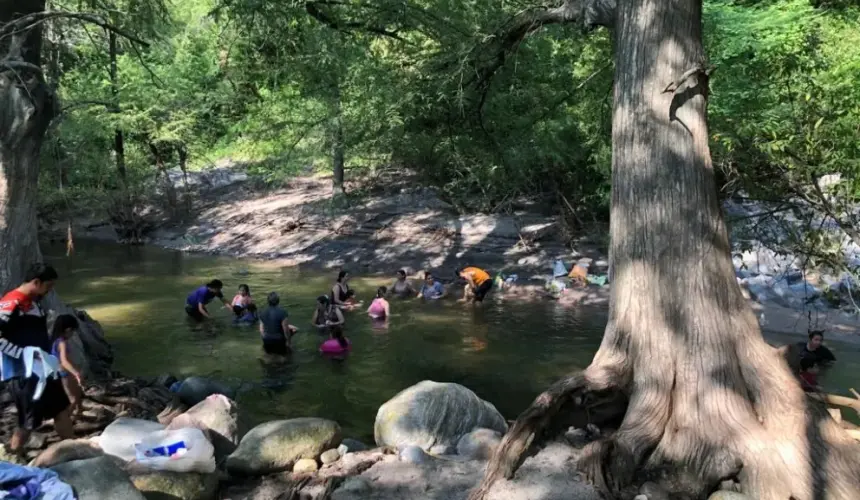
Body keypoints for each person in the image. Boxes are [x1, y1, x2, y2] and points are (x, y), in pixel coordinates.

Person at [0, 264, 74, 455]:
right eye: (48, 287)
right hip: (23, 372)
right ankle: (11, 456)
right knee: (27, 422)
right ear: (36, 282)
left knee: (61, 408)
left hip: (44, 369)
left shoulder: (33, 303)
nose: (49, 292)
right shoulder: (11, 303)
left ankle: (74, 449)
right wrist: (22, 353)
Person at [51, 314, 84, 420]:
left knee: (78, 391)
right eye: (73, 331)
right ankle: (64, 420)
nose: (73, 334)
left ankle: (79, 412)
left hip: (65, 372)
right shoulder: (62, 343)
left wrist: (76, 369)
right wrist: (76, 373)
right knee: (72, 399)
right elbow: (64, 361)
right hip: (63, 374)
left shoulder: (55, 340)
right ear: (68, 330)